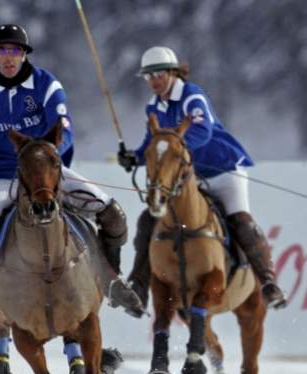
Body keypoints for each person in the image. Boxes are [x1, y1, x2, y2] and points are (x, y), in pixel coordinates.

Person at [0, 24, 144, 334]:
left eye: (14, 50)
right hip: (3, 175)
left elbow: (64, 127)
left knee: (112, 214)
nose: (8, 57)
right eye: (1, 50)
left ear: (24, 54)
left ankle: (111, 280)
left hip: (46, 172)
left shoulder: (45, 85)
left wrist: (49, 152)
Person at [118, 46, 286, 309]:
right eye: (148, 77)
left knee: (240, 220)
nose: (154, 81)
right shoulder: (153, 106)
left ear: (173, 72)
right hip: (186, 179)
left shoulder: (191, 95)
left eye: (158, 74)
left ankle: (267, 281)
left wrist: (176, 149)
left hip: (223, 168)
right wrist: (135, 157)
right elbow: (154, 143)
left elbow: (203, 132)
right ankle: (138, 285)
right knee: (149, 218)